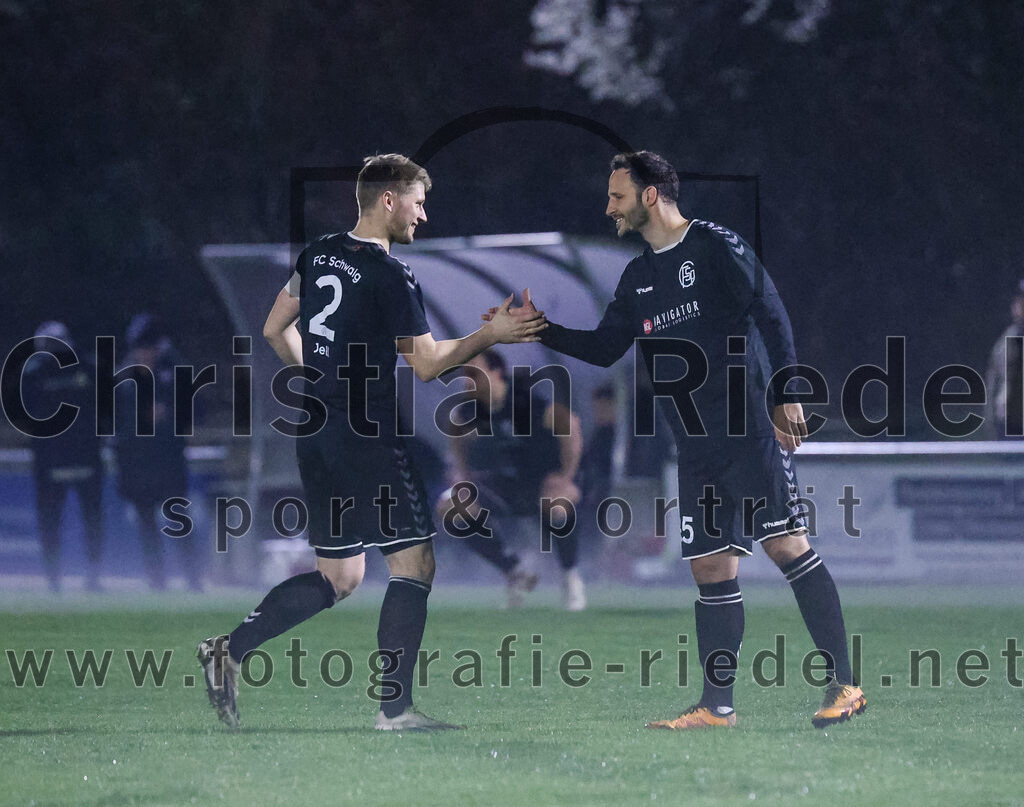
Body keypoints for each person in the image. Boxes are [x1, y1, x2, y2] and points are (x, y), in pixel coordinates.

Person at [493, 151, 865, 729]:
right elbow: (604, 347)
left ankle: (845, 686)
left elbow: (770, 311)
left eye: (617, 196)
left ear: (648, 196)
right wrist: (539, 328)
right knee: (710, 568)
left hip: (746, 427)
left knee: (786, 546)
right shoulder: (638, 276)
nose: (608, 207)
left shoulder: (715, 245)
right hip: (692, 444)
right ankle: (717, 707)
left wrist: (787, 390)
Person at [197, 153, 547, 732]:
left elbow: (273, 328)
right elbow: (429, 363)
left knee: (342, 577)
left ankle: (228, 650)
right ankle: (395, 710)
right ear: (388, 199)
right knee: (415, 564)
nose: (423, 213)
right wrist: (492, 333)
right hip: (366, 437)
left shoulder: (319, 254)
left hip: (316, 434)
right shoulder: (391, 274)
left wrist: (316, 380)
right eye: (418, 200)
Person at [435, 349, 586, 610]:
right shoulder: (467, 411)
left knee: (559, 502)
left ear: (496, 373)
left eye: (474, 371)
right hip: (502, 486)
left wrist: (566, 475)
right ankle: (514, 570)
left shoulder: (524, 402)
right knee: (449, 507)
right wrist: (463, 476)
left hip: (540, 484)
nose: (467, 379)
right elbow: (457, 437)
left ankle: (570, 577)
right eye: (465, 373)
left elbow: (570, 424)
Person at [114, 313, 201, 591]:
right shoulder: (124, 380)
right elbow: (115, 425)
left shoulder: (173, 372)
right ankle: (156, 579)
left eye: (149, 348)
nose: (145, 354)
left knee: (178, 521)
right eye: (141, 349)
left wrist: (168, 416)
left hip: (168, 463)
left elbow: (195, 412)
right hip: (139, 466)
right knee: (147, 526)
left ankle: (192, 579)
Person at [21, 322, 105, 592]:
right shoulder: (84, 368)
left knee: (77, 518)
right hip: (62, 459)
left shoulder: (84, 368)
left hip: (71, 458)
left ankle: (77, 576)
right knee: (58, 519)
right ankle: (56, 577)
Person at [985, 279, 1024, 439]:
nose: (1018, 305)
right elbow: (993, 379)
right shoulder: (1008, 338)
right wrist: (990, 418)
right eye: (1019, 300)